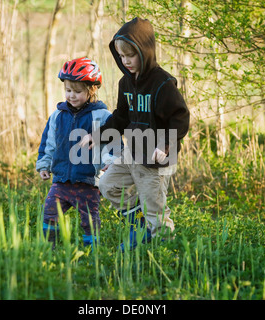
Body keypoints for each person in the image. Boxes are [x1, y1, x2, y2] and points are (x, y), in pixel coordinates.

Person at [80, 18, 190, 252]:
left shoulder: (162, 83)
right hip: (133, 153)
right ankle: (140, 225)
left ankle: (165, 253)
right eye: (121, 56)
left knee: (155, 208)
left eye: (131, 55)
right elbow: (120, 118)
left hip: (155, 159)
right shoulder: (126, 83)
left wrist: (166, 145)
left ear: (145, 51)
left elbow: (179, 117)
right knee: (108, 184)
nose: (125, 61)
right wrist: (97, 136)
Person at [36, 57, 116, 249]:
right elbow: (49, 144)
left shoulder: (102, 116)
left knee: (89, 220)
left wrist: (110, 161)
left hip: (88, 182)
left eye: (78, 91)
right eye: (68, 90)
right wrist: (44, 164)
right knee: (49, 213)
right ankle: (49, 249)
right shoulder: (57, 116)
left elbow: (111, 142)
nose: (71, 95)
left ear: (92, 89)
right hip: (62, 180)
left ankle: (92, 254)